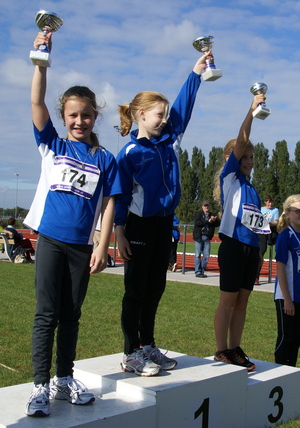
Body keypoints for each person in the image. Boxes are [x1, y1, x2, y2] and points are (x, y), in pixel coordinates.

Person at [23, 31, 120, 418]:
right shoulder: (53, 145)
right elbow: (35, 100)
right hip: (50, 240)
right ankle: (39, 387)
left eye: (86, 115)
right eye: (73, 115)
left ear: (95, 116)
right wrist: (40, 62)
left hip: (82, 246)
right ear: (64, 118)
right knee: (47, 313)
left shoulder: (105, 158)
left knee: (71, 315)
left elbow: (111, 202)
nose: (79, 121)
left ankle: (65, 379)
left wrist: (102, 245)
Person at [114, 50, 210, 377]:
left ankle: (148, 345)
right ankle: (130, 353)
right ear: (140, 114)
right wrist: (119, 232)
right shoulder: (129, 153)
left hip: (163, 225)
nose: (165, 119)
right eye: (159, 114)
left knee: (156, 288)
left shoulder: (170, 141)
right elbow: (120, 196)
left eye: (166, 114)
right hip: (138, 227)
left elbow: (184, 108)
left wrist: (196, 73)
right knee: (136, 290)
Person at [212, 92, 268, 372]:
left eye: (252, 157)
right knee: (228, 301)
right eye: (244, 156)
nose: (249, 160)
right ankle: (221, 349)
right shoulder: (230, 177)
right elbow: (243, 139)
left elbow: (257, 226)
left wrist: (259, 253)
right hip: (232, 246)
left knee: (243, 301)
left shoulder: (252, 189)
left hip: (249, 250)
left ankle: (235, 348)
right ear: (231, 158)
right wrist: (252, 111)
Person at [273, 194, 300, 368]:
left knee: (296, 338)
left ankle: (291, 377)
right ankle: (279, 376)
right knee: (286, 337)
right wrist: (287, 299)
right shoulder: (285, 237)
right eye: (297, 211)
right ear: (287, 213)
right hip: (287, 296)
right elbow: (281, 268)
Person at [193, 201, 219, 278]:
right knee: (197, 255)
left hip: (207, 237)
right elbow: (198, 223)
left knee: (206, 256)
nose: (206, 207)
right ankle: (198, 271)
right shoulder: (198, 214)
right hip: (199, 237)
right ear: (202, 207)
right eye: (205, 206)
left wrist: (214, 220)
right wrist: (208, 221)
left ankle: (202, 270)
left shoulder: (212, 215)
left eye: (207, 206)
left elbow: (218, 223)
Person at [257, 195, 280, 285]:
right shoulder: (260, 209)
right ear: (265, 202)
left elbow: (276, 222)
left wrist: (270, 223)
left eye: (271, 202)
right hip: (261, 232)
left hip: (270, 232)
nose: (270, 204)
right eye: (268, 202)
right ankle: (256, 276)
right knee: (260, 252)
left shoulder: (275, 210)